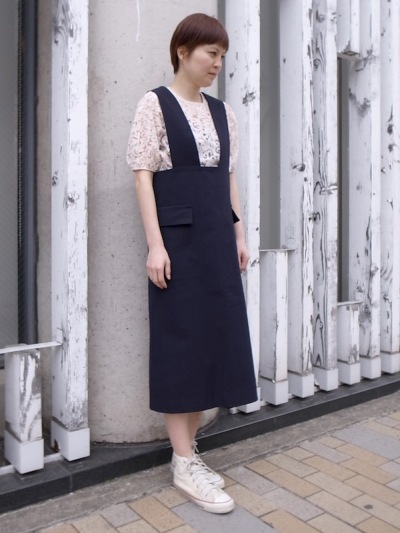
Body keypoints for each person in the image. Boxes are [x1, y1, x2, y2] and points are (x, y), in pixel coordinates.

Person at [127, 12, 257, 514]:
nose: (217, 64)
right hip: (178, 243)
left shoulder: (223, 112)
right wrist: (155, 245)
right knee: (181, 341)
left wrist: (238, 233)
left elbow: (227, 178)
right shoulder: (155, 105)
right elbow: (143, 176)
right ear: (183, 51)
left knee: (214, 339)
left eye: (222, 56)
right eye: (211, 54)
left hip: (217, 240)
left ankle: (190, 454)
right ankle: (183, 462)